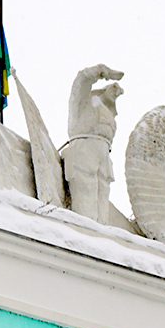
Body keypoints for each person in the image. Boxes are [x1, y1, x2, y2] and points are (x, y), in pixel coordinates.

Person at [62, 64, 124, 222]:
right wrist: (102, 72)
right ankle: (86, 230)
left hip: (102, 158)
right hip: (83, 153)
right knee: (86, 194)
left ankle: (100, 234)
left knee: (102, 194)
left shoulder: (109, 114)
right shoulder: (83, 103)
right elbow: (81, 80)